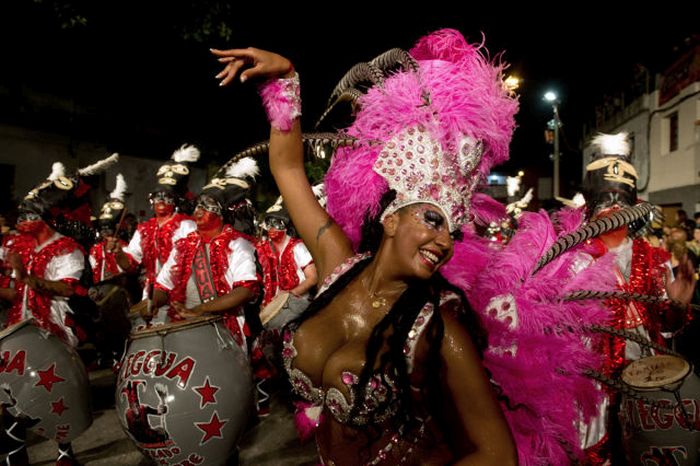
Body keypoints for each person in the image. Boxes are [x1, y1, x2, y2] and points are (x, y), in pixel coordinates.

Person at [212, 29, 518, 465]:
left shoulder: (439, 330)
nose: (445, 241)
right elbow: (287, 168)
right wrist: (285, 83)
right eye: (433, 219)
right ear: (390, 218)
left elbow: (499, 456)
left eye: (452, 231)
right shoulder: (337, 264)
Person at [0, 155, 117, 465]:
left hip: (55, 326)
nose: (21, 217)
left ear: (45, 216)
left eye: (29, 212)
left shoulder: (69, 249)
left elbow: (66, 288)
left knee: (55, 388)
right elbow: (15, 292)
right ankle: (15, 453)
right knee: (11, 388)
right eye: (21, 211)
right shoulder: (17, 246)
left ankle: (65, 451)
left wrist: (28, 278)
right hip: (20, 325)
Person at [145, 157, 261, 348]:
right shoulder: (183, 245)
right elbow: (164, 286)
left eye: (207, 206)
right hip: (184, 326)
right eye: (198, 204)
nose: (198, 210)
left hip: (224, 330)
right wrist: (153, 303)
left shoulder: (239, 245)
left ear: (222, 213)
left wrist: (202, 309)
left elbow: (246, 290)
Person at [110, 145, 198, 322]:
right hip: (151, 295)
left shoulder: (187, 226)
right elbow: (131, 264)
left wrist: (159, 295)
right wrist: (118, 253)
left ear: (175, 201)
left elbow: (181, 267)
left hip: (182, 294)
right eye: (157, 197)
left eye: (167, 198)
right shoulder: (144, 228)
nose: (161, 201)